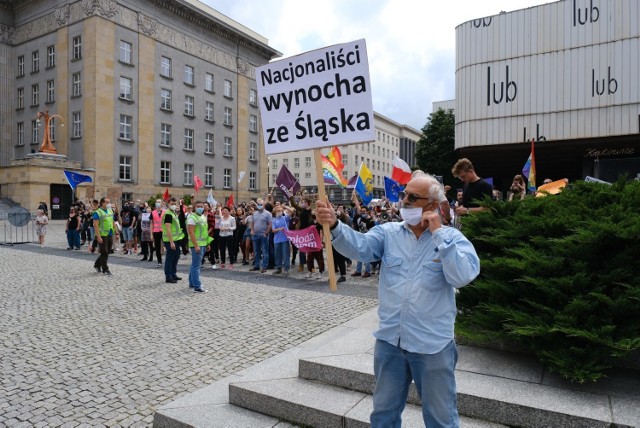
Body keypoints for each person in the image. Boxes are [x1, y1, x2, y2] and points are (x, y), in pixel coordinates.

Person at [315, 174, 480, 427]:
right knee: (383, 416)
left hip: (432, 346)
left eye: (413, 197)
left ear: (433, 205)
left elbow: (463, 276)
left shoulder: (453, 239)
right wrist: (336, 225)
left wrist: (438, 235)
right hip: (391, 342)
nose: (404, 201)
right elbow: (360, 247)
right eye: (404, 194)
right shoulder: (388, 232)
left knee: (441, 419)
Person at [186, 200, 209, 293]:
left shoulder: (203, 217)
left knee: (195, 264)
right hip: (196, 245)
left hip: (203, 244)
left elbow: (204, 232)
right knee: (196, 265)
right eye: (198, 206)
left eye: (201, 206)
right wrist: (196, 245)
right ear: (195, 207)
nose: (200, 208)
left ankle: (192, 282)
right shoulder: (192, 217)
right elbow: (191, 232)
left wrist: (207, 243)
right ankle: (197, 286)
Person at [162, 197, 183, 284]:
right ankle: (168, 276)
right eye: (172, 204)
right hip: (170, 240)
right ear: (168, 204)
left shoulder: (173, 213)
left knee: (176, 257)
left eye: (175, 204)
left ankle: (173, 274)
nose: (174, 205)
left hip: (176, 239)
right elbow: (168, 229)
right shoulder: (168, 215)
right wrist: (171, 242)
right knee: (170, 258)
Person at [93, 197, 115, 276]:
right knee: (104, 252)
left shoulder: (110, 210)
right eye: (107, 202)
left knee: (107, 252)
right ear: (102, 203)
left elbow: (112, 222)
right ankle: (105, 269)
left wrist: (116, 233)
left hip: (109, 233)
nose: (108, 203)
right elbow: (95, 225)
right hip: (102, 235)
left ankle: (97, 264)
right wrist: (98, 236)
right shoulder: (98, 212)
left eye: (109, 202)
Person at [250, 198, 272, 273]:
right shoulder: (255, 213)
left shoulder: (268, 213)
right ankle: (256, 266)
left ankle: (264, 266)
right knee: (256, 251)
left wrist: (266, 232)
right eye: (258, 204)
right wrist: (252, 230)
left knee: (265, 251)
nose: (259, 206)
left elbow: (270, 224)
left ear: (264, 205)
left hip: (264, 235)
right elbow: (252, 223)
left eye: (261, 205)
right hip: (255, 235)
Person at [271, 205, 290, 276]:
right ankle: (278, 268)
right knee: (277, 255)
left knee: (285, 255)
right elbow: (273, 230)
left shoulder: (285, 218)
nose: (279, 212)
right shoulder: (274, 220)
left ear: (282, 211)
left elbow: (291, 212)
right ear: (275, 212)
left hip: (285, 239)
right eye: (277, 211)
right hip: (277, 240)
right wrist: (280, 229)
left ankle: (286, 269)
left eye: (280, 211)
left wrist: (285, 206)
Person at [151, 199, 165, 267]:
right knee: (157, 247)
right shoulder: (153, 212)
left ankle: (169, 260)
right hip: (156, 231)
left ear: (162, 204)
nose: (158, 203)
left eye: (159, 202)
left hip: (164, 231)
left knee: (168, 246)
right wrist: (151, 234)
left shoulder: (165, 212)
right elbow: (151, 223)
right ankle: (159, 262)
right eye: (156, 202)